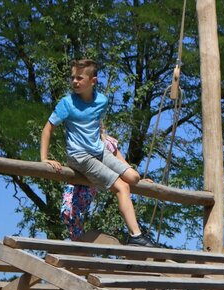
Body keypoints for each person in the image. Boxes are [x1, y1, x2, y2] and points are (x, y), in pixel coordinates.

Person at [40, 59, 155, 247]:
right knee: (122, 188)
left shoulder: (101, 101)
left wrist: (121, 160)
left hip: (98, 151)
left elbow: (99, 130)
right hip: (80, 156)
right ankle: (136, 236)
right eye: (72, 78)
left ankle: (135, 228)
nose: (75, 81)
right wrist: (44, 158)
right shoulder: (67, 104)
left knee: (133, 178)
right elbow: (47, 129)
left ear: (93, 81)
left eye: (79, 78)